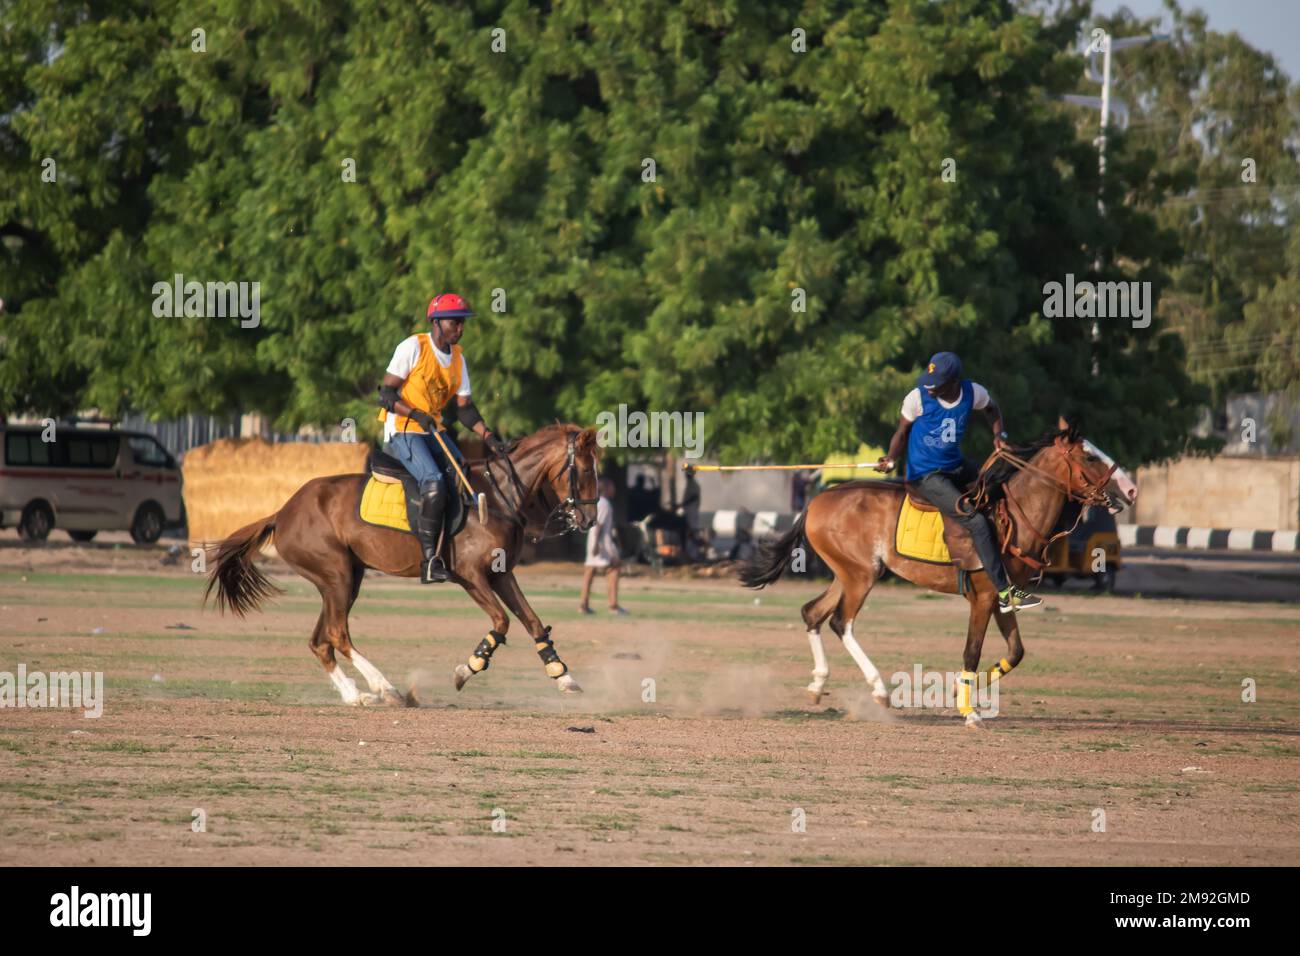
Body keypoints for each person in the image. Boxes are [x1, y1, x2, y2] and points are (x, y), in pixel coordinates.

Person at [875, 351, 1042, 612]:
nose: (929, 388)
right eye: (928, 382)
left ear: (953, 382)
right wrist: (891, 458)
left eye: (936, 384)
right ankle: (1004, 593)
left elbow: (992, 409)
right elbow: (902, 431)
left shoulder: (973, 392)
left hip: (955, 465)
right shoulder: (916, 397)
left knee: (1000, 490)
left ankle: (1010, 561)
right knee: (975, 520)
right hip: (925, 475)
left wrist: (1000, 433)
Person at [376, 293, 508, 584]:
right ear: (436, 322)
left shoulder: (458, 358)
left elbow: (465, 409)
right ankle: (429, 560)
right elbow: (386, 395)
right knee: (434, 481)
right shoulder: (414, 346)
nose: (460, 329)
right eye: (454, 322)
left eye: (462, 324)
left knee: (462, 474)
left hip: (432, 430)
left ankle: (457, 548)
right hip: (402, 429)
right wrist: (414, 413)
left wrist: (488, 436)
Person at [579, 477, 628, 615]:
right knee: (614, 569)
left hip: (593, 541)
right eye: (612, 487)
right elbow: (599, 525)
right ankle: (613, 606)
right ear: (606, 489)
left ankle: (583, 604)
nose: (614, 490)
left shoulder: (597, 503)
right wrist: (597, 545)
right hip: (600, 544)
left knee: (589, 572)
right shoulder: (605, 504)